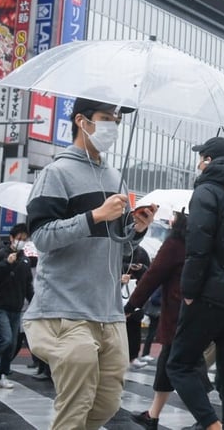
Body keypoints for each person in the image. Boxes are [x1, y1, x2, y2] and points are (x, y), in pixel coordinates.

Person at [23, 97, 157, 430]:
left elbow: (120, 247)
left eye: (117, 121)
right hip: (66, 310)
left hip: (109, 311)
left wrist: (137, 228)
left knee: (108, 402)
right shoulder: (56, 173)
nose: (113, 126)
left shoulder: (115, 178)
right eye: (106, 118)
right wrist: (94, 216)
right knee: (76, 404)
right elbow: (41, 238)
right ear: (82, 121)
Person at [167, 137, 224, 430]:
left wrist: (189, 291)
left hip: (211, 295)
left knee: (178, 365)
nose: (198, 163)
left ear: (208, 160)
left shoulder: (206, 192)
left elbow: (198, 247)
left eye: (201, 157)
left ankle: (212, 426)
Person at [125, 210, 188, 430]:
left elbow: (152, 276)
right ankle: (153, 415)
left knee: (184, 368)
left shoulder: (176, 243)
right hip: (201, 313)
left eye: (175, 216)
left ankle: (210, 421)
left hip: (179, 315)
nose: (171, 219)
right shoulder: (206, 241)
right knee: (169, 363)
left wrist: (131, 305)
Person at [0, 223, 34, 389]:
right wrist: (6, 262)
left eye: (25, 239)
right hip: (0, 305)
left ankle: (1, 374)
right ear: (12, 238)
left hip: (16, 307)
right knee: (6, 339)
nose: (21, 242)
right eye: (19, 238)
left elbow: (28, 285)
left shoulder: (25, 260)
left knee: (11, 345)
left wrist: (34, 302)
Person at [123, 243, 151, 369]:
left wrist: (140, 269)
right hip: (119, 294)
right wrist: (128, 267)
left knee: (134, 330)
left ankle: (133, 357)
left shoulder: (141, 252)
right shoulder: (116, 249)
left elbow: (148, 273)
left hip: (134, 295)